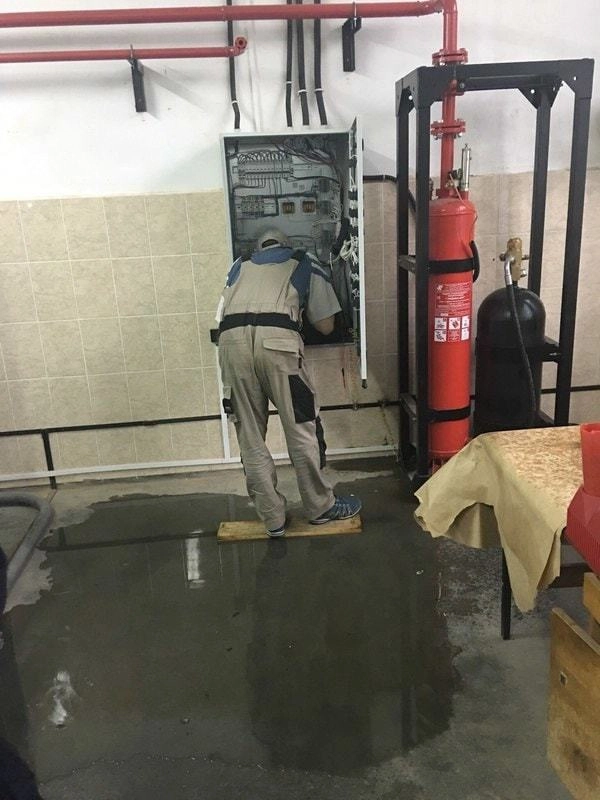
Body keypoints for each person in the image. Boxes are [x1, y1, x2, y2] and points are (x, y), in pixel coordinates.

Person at [217, 227, 361, 536]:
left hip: (231, 346)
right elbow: (325, 325)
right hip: (278, 346)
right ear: (286, 244)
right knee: (301, 427)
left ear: (259, 248)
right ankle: (320, 507)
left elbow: (221, 311)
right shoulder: (304, 262)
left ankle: (273, 519)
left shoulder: (238, 266)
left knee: (250, 436)